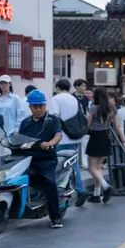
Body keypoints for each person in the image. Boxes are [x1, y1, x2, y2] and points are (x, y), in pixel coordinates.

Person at [19, 90, 63, 228]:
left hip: (46, 159)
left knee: (49, 182)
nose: (38, 109)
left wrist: (50, 143)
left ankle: (55, 217)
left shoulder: (52, 120)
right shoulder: (25, 122)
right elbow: (19, 139)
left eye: (41, 105)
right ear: (30, 107)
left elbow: (58, 135)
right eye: (34, 106)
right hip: (27, 160)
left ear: (45, 105)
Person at [49, 79, 90, 207]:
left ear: (57, 87)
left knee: (59, 166)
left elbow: (53, 117)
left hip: (61, 137)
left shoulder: (56, 99)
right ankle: (79, 190)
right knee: (73, 164)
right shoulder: (74, 99)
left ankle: (65, 192)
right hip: (74, 136)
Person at [86, 88, 125, 204]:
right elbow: (117, 126)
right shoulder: (113, 108)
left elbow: (88, 124)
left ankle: (106, 187)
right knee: (98, 167)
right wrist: (124, 140)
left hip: (95, 136)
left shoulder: (94, 108)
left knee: (91, 167)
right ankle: (96, 194)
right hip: (106, 137)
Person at [0, 75, 29, 159]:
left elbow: (21, 115)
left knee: (9, 153)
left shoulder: (15, 98)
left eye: (5, 83)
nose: (3, 85)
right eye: (2, 83)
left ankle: (9, 172)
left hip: (11, 131)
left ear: (9, 84)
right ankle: (0, 172)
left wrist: (16, 130)